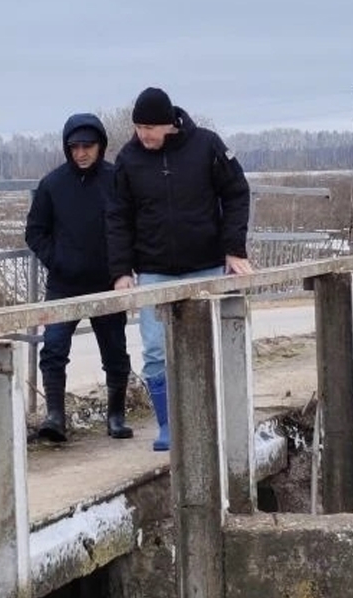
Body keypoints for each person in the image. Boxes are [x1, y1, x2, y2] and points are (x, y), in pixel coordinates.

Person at [106, 87, 253, 451]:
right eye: (138, 127)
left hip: (204, 265)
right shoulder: (128, 159)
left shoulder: (206, 146)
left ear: (169, 124)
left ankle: (212, 417)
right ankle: (169, 424)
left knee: (209, 345)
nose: (144, 135)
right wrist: (121, 270)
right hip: (154, 269)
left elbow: (236, 192)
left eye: (150, 128)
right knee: (156, 351)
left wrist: (234, 249)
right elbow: (118, 216)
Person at [25, 113, 133, 443]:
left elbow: (131, 227)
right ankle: (55, 416)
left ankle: (116, 415)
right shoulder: (52, 185)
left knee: (115, 352)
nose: (82, 153)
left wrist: (123, 269)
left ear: (100, 146)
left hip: (108, 282)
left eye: (88, 146)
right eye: (75, 147)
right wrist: (58, 260)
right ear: (67, 149)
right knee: (54, 348)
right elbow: (34, 232)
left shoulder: (116, 180)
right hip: (64, 285)